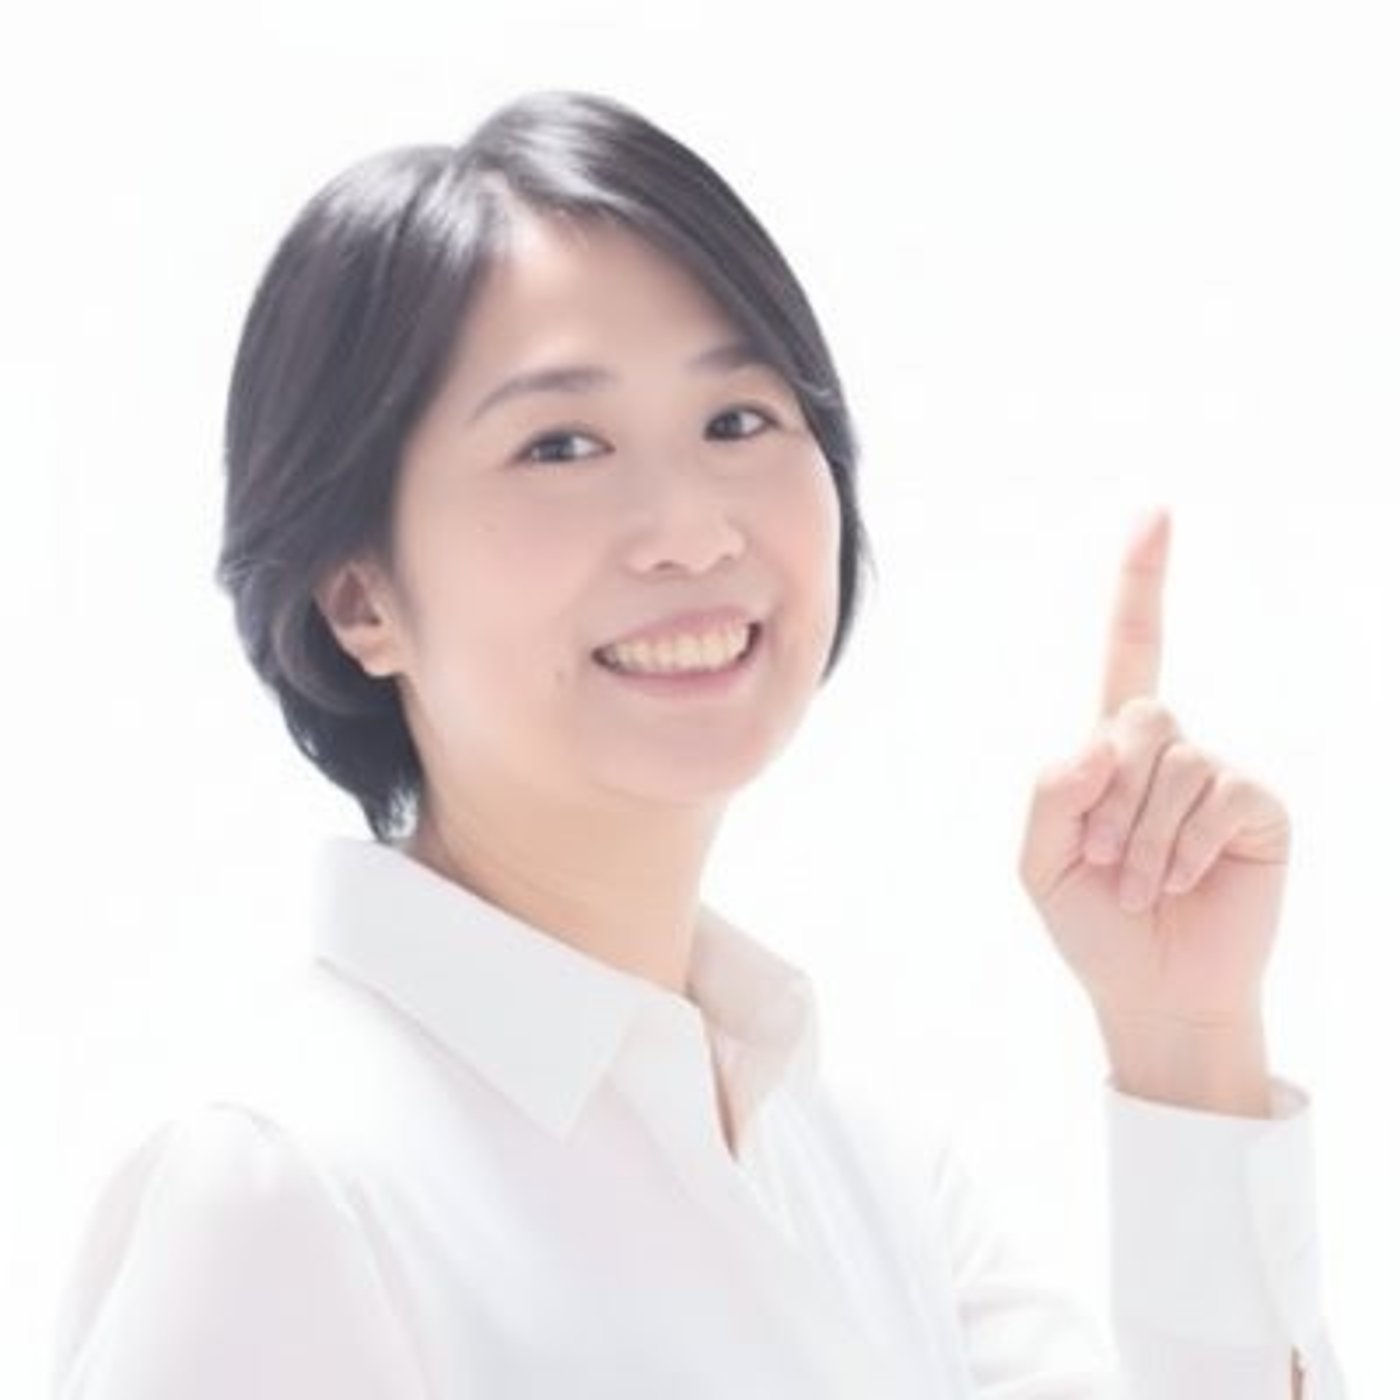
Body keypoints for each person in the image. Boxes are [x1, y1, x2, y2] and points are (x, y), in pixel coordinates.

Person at [51, 89, 1345, 1398]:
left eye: (738, 421)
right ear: (359, 598)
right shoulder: (279, 1190)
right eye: (561, 446)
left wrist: (1186, 1044)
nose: (691, 531)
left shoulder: (863, 1174)